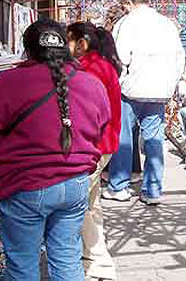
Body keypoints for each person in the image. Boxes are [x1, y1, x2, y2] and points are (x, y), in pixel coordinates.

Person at [0, 19, 110, 280]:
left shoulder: (9, 83)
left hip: (25, 187)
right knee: (67, 261)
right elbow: (100, 130)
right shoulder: (91, 84)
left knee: (22, 268)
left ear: (28, 51)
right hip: (75, 185)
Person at [103, 0, 185, 206]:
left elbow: (121, 56)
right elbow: (180, 58)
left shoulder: (126, 23)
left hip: (132, 88)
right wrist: (170, 84)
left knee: (124, 137)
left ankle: (119, 186)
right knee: (154, 138)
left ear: (128, 3)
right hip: (161, 90)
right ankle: (153, 190)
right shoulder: (167, 24)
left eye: (124, 6)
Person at [67, 22, 120, 280]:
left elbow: (88, 113)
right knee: (90, 204)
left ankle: (94, 263)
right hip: (100, 145)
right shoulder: (100, 65)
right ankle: (97, 262)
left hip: (93, 146)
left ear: (82, 43)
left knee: (77, 205)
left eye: (68, 40)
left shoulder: (90, 69)